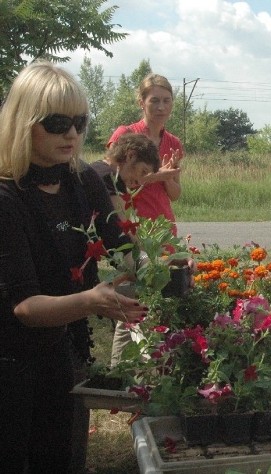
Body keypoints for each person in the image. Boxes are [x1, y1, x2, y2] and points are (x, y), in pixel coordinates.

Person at [0, 62, 146, 473]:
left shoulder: (82, 181)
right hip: (9, 363)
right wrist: (91, 301)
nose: (72, 134)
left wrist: (155, 267)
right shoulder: (7, 197)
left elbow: (121, 247)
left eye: (80, 122)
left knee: (62, 457)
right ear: (23, 122)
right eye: (57, 122)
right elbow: (24, 308)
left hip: (65, 353)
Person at [90, 133, 160, 367]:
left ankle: (119, 370)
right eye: (141, 172)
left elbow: (128, 233)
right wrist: (150, 266)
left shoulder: (113, 180)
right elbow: (118, 236)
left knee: (132, 307)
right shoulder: (102, 177)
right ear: (129, 156)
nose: (140, 181)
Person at [107, 73, 183, 233]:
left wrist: (168, 179)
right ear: (142, 103)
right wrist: (156, 176)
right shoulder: (125, 134)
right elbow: (109, 181)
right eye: (154, 100)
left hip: (164, 227)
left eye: (166, 100)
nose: (161, 107)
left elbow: (175, 195)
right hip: (131, 225)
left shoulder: (173, 143)